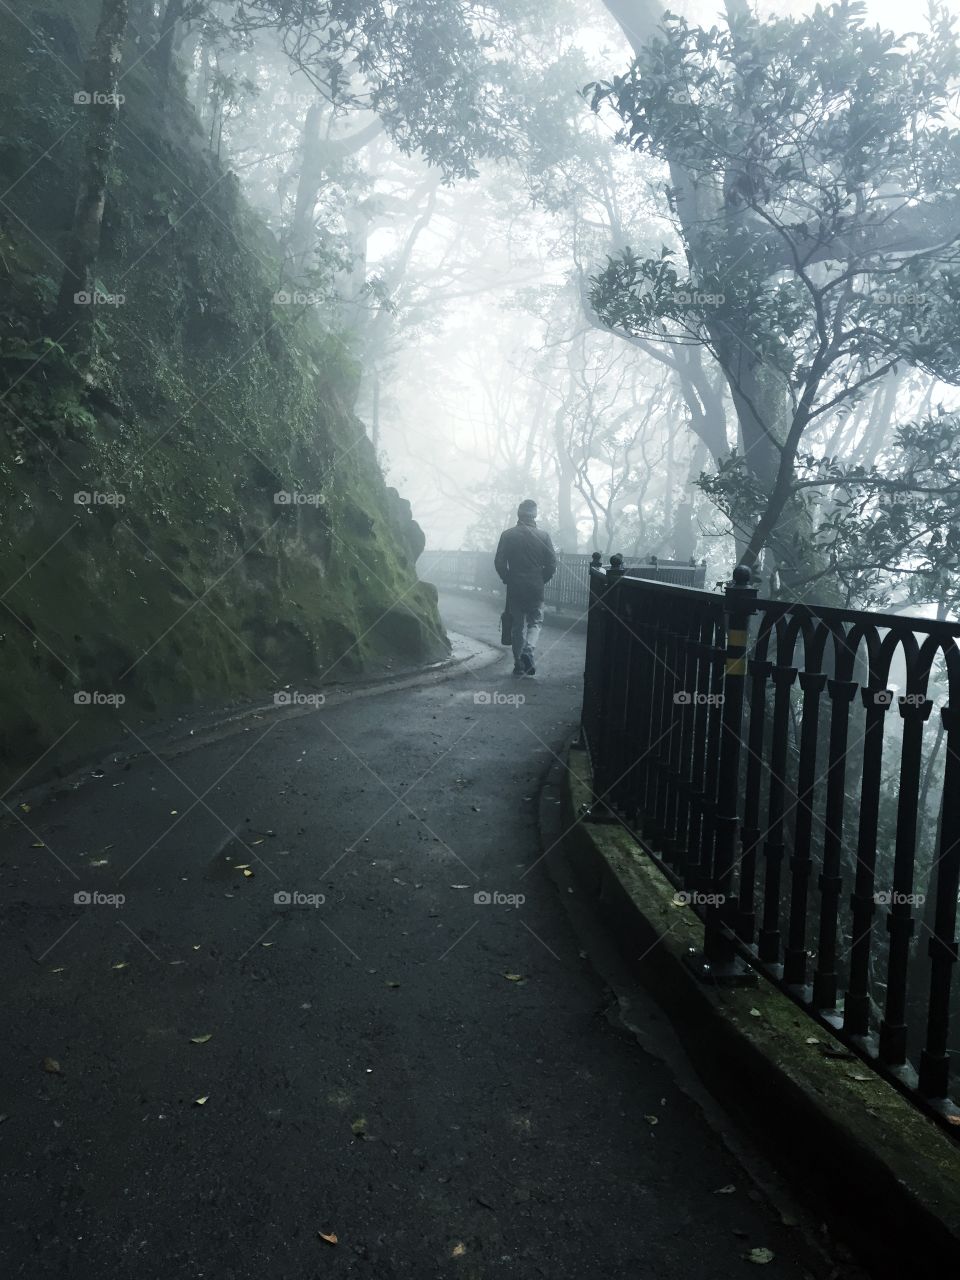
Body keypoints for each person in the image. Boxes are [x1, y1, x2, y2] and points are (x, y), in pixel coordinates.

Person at [494, 499, 557, 677]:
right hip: (536, 586)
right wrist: (541, 578)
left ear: (518, 514)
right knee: (535, 621)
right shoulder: (543, 536)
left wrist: (507, 577)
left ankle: (518, 664)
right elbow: (552, 563)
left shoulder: (507, 535)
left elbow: (499, 562)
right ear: (535, 515)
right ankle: (528, 651)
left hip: (515, 587)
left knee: (516, 625)